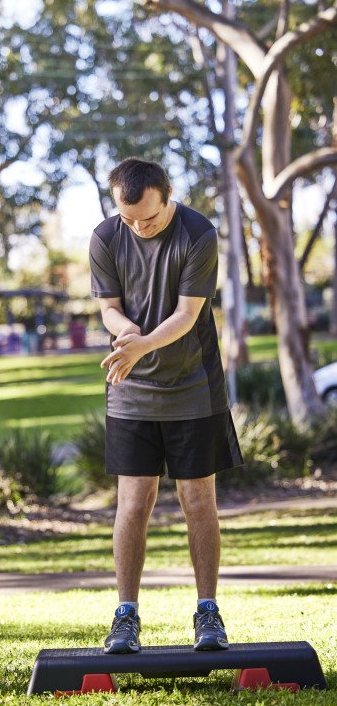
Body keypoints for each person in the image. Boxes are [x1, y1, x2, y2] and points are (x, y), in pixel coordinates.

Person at [89, 158, 243, 655]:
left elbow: (185, 314)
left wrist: (142, 343)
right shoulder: (106, 237)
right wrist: (124, 331)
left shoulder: (198, 233)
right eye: (128, 218)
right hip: (129, 388)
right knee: (134, 502)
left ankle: (207, 612)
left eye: (148, 220)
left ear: (167, 195)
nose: (137, 227)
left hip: (194, 388)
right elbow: (109, 307)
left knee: (199, 500)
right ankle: (126, 616)